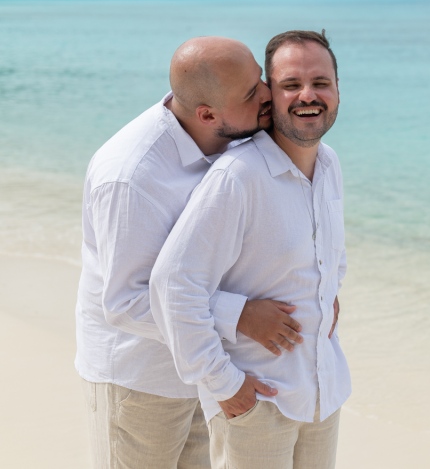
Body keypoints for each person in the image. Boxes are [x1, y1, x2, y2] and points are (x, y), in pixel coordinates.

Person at [75, 36, 305, 468]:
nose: (267, 94)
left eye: (260, 79)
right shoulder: (130, 177)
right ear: (207, 114)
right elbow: (125, 303)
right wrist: (240, 316)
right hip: (140, 380)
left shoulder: (234, 135)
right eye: (251, 93)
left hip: (209, 370)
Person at [150, 30, 350, 469]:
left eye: (320, 82)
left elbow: (332, 255)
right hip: (259, 400)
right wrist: (223, 384)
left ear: (338, 90)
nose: (308, 95)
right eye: (291, 84)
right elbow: (173, 284)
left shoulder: (329, 163)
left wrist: (329, 292)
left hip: (323, 390)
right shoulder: (237, 176)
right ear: (269, 96)